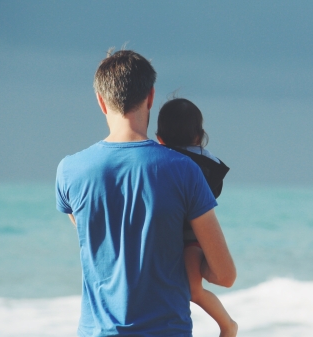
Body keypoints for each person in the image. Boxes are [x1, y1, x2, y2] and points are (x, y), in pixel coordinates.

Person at [55, 49, 236, 337]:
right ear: (150, 97)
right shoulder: (184, 170)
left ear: (101, 102)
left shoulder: (69, 171)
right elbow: (225, 275)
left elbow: (100, 245)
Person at [156, 98, 238, 337]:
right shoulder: (208, 161)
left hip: (192, 235)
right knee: (193, 289)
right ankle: (226, 325)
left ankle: (227, 325)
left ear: (159, 138)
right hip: (193, 234)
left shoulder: (165, 161)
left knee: (193, 289)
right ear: (200, 135)